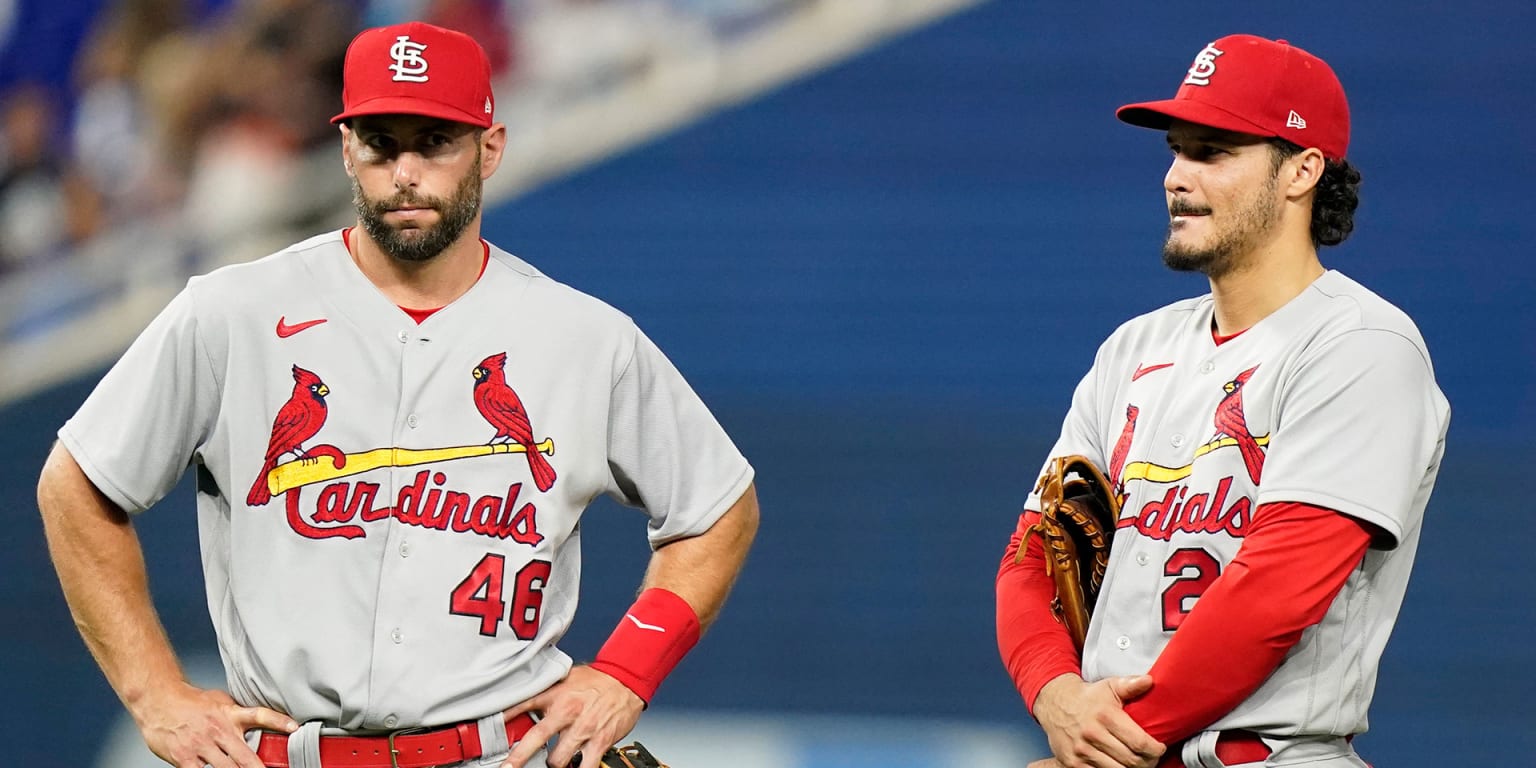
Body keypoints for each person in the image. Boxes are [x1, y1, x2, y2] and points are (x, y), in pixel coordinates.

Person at [37, 21, 758, 768]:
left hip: (497, 752)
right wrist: (155, 694)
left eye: (435, 141)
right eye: (381, 143)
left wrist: (624, 674)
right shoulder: (231, 313)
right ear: (348, 148)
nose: (405, 171)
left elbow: (718, 507)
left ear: (490, 147)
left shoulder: (585, 338)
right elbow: (79, 484)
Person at [995, 34, 1449, 768]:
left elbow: (1276, 595)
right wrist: (1056, 696)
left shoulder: (1361, 344)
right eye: (1176, 150)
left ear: (1302, 170)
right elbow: (1033, 561)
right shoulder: (1132, 350)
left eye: (1212, 151)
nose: (1176, 176)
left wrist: (1108, 748)